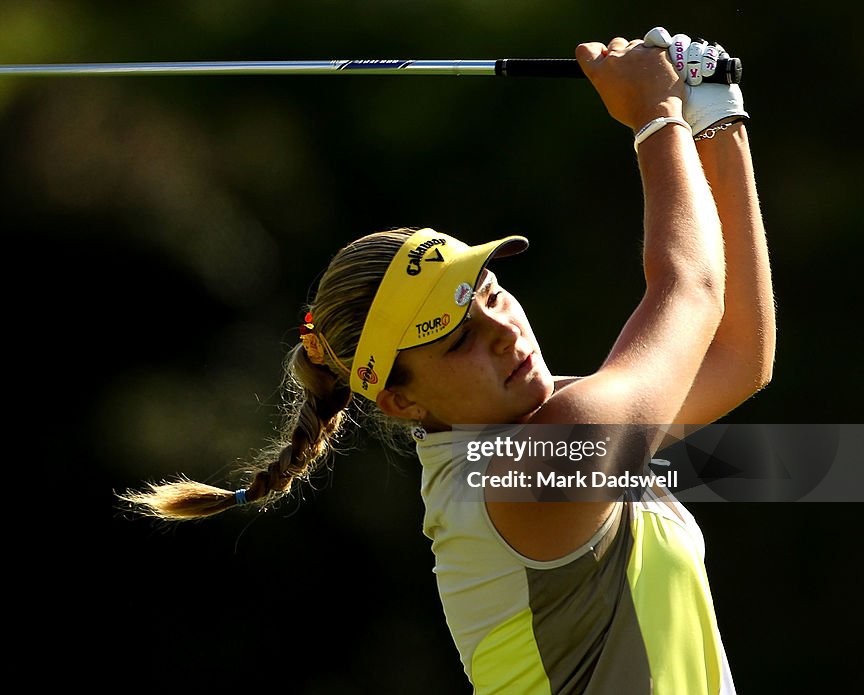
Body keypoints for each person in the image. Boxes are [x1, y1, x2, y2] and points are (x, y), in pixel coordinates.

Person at [120, 28, 774, 694]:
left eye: (491, 292)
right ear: (400, 401)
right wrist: (657, 117)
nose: (502, 330)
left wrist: (717, 114)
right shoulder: (535, 464)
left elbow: (737, 355)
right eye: (456, 337)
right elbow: (690, 290)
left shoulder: (536, 438)